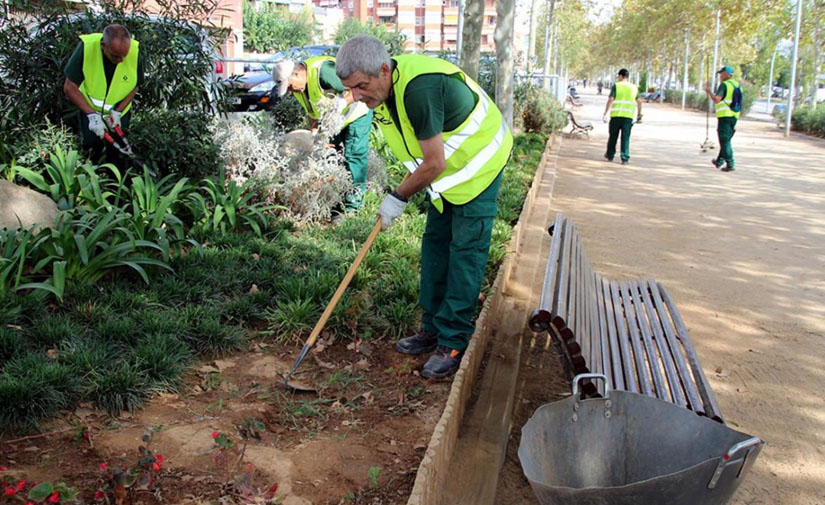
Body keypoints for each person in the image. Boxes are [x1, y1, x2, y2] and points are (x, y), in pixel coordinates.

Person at [335, 35, 513, 379]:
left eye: (361, 86)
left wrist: (397, 197)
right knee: (435, 246)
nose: (356, 96)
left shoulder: (421, 89)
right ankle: (431, 327)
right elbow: (418, 152)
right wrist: (405, 190)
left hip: (480, 163)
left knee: (465, 253)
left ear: (383, 71)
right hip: (446, 176)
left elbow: (433, 162)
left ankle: (453, 340)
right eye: (350, 88)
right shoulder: (382, 95)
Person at [272, 56, 373, 215]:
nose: (291, 91)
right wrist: (315, 134)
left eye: (290, 87)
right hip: (335, 121)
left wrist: (343, 102)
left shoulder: (324, 72)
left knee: (353, 156)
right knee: (334, 158)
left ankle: (352, 209)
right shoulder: (300, 88)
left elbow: (359, 88)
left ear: (296, 74)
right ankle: (336, 205)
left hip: (357, 113)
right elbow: (312, 111)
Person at [63, 24, 143, 165]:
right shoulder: (87, 48)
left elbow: (135, 85)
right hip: (90, 110)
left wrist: (118, 111)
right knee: (90, 149)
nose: (121, 60)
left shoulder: (134, 52)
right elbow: (70, 87)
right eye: (115, 56)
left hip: (118, 114)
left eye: (124, 55)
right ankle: (91, 177)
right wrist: (92, 115)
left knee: (117, 155)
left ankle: (113, 182)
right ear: (103, 46)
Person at [602, 68, 642, 165]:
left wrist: (606, 112)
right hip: (628, 117)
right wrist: (639, 114)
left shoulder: (616, 85)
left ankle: (610, 155)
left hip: (616, 116)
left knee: (613, 137)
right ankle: (625, 158)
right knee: (625, 138)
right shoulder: (634, 87)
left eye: (618, 76)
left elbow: (611, 99)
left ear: (621, 76)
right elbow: (639, 102)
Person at [704, 65, 739, 172]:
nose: (720, 76)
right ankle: (719, 161)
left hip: (725, 115)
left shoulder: (724, 85)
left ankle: (730, 163)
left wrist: (709, 92)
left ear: (726, 74)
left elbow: (717, 99)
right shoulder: (736, 84)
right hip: (734, 115)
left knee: (724, 140)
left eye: (721, 73)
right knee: (726, 139)